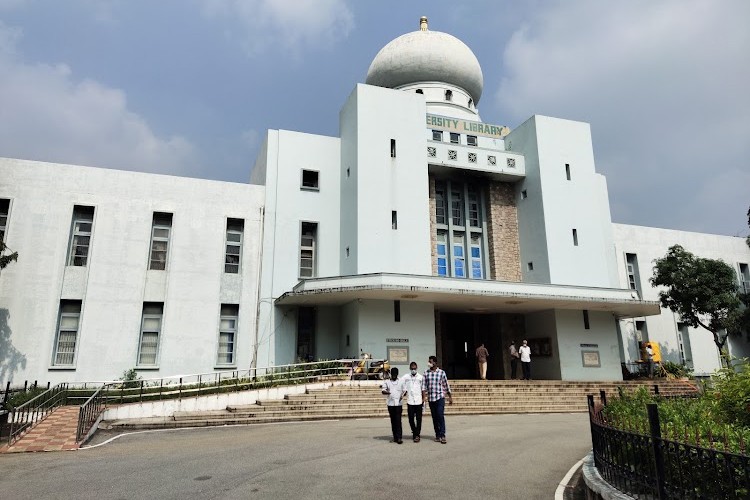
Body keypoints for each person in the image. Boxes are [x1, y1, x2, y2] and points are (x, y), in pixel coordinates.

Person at [422, 355, 452, 444]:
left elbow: (446, 385)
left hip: (440, 397)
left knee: (440, 415)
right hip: (431, 398)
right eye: (429, 361)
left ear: (435, 363)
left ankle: (443, 435)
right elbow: (423, 386)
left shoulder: (441, 373)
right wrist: (424, 397)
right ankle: (437, 435)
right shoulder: (426, 373)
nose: (429, 363)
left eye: (430, 362)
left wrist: (450, 397)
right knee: (434, 417)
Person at [401, 361, 424, 442]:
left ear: (416, 368)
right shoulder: (406, 377)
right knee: (411, 419)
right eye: (412, 368)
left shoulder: (421, 377)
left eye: (414, 368)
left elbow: (423, 389)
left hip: (418, 401)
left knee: (419, 419)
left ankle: (417, 434)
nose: (413, 370)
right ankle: (415, 432)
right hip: (410, 401)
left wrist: (423, 399)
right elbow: (400, 382)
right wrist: (404, 390)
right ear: (410, 369)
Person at [381, 366, 404, 444]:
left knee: (398, 420)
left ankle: (399, 437)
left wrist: (402, 395)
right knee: (393, 421)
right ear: (391, 374)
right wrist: (387, 392)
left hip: (398, 404)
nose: (394, 375)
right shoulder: (387, 382)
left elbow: (405, 390)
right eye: (393, 374)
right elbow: (383, 390)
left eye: (395, 374)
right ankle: (395, 437)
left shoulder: (401, 381)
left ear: (397, 374)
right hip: (390, 403)